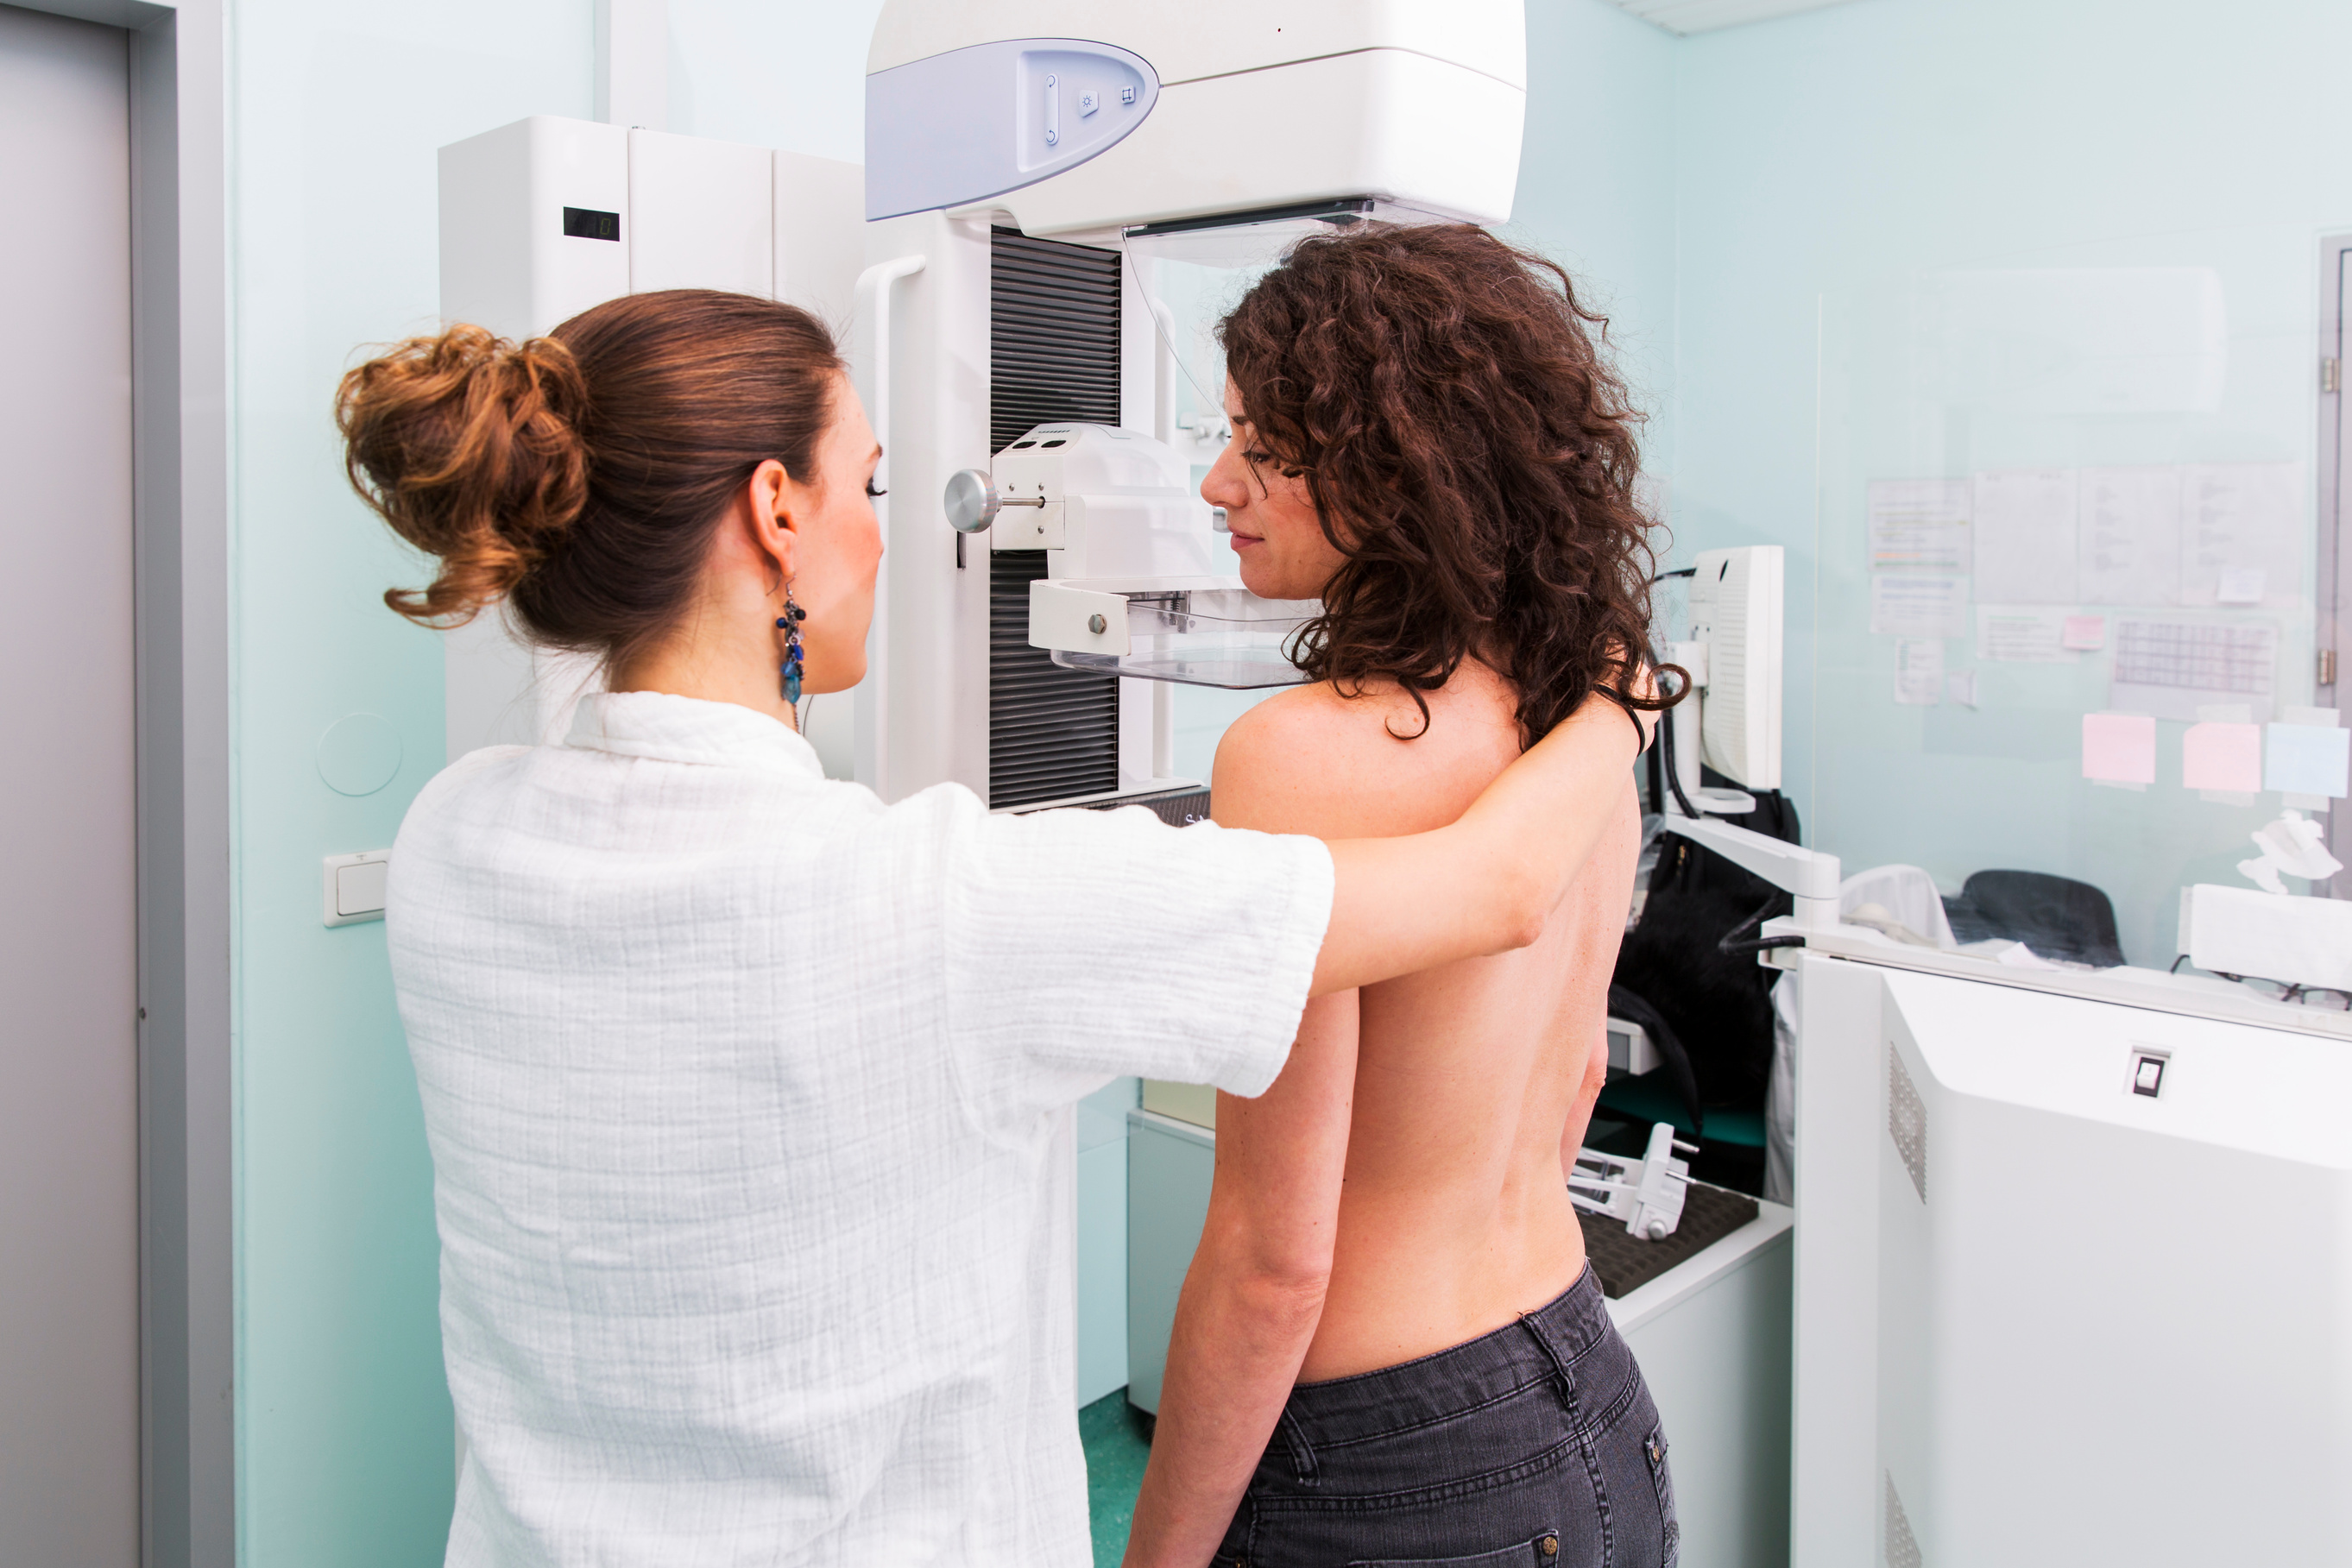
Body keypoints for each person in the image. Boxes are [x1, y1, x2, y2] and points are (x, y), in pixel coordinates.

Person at [331, 287, 1659, 1568]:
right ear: (776, 510)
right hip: (1572, 1380)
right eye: (872, 485)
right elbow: (1496, 890)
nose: (886, 532)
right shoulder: (945, 903)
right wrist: (1625, 691)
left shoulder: (454, 838)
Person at [1123, 226, 1674, 1568]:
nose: (1215, 480)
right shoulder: (1582, 707)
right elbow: (1568, 1094)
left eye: (1261, 447)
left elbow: (1273, 1257)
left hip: (1395, 1461)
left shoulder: (1301, 756)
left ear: (1394, 464)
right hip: (1585, 1386)